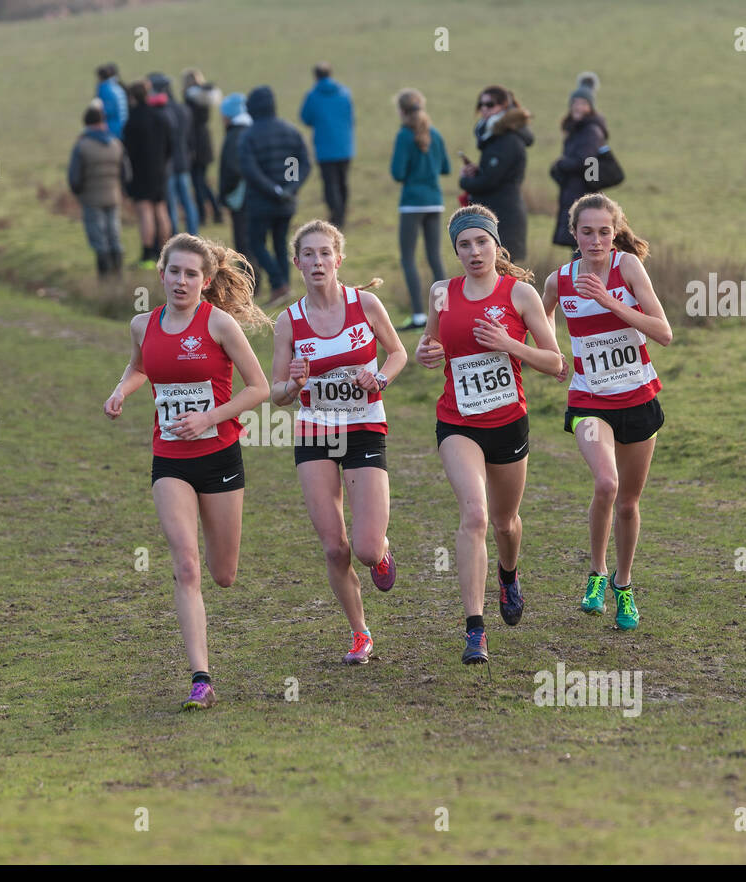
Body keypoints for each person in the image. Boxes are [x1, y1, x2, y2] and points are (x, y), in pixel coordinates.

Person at [102, 234, 271, 709]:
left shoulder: (219, 324)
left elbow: (259, 388)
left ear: (207, 280)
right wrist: (120, 390)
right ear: (161, 274)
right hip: (170, 459)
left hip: (219, 457)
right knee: (186, 565)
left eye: (191, 274)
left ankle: (204, 666)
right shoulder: (142, 324)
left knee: (223, 573)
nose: (181, 281)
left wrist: (209, 417)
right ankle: (201, 678)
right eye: (174, 271)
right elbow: (139, 367)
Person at [414, 205, 564, 665]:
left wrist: (509, 344)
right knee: (475, 516)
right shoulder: (442, 293)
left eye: (482, 242)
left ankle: (508, 573)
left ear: (496, 245)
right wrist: (426, 353)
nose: (474, 251)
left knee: (504, 523)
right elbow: (431, 344)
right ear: (455, 250)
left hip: (508, 422)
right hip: (457, 422)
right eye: (464, 244)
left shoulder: (520, 294)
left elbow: (555, 363)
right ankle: (475, 629)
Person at [271, 220, 407, 665]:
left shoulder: (364, 304)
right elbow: (276, 394)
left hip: (364, 426)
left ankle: (381, 552)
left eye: (325, 253)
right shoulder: (289, 322)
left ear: (338, 260)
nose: (317, 262)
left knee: (365, 549)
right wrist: (293, 385)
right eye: (308, 255)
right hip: (316, 432)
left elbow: (398, 352)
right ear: (297, 263)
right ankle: (360, 633)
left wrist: (379, 378)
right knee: (334, 547)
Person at [540, 193, 672, 630]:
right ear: (573, 234)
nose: (595, 240)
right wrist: (554, 354)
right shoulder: (559, 280)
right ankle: (596, 572)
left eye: (603, 232)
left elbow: (663, 332)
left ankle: (624, 584)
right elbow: (539, 319)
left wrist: (610, 301)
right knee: (606, 483)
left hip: (638, 399)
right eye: (587, 232)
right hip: (589, 400)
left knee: (629, 504)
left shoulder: (627, 268)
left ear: (614, 234)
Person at [237, 85, 308, 306]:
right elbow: (302, 162)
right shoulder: (291, 130)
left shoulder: (248, 136)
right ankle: (284, 285)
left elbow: (250, 170)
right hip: (286, 201)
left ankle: (279, 283)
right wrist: (290, 188)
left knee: (256, 243)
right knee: (280, 243)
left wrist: (272, 189)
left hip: (261, 201)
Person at [389, 88, 449, 332]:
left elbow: (397, 173)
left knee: (408, 258)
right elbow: (446, 167)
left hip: (412, 203)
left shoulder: (404, 136)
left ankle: (418, 315)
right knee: (435, 257)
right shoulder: (435, 134)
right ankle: (445, 314)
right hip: (435, 201)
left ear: (402, 111)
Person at [458, 85, 533, 265]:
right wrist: (478, 172)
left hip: (504, 217)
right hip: (496, 213)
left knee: (504, 273)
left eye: (490, 104)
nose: (484, 109)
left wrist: (465, 181)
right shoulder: (496, 137)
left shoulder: (507, 139)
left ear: (504, 106)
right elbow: (496, 174)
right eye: (481, 104)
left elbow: (489, 181)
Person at [68, 103, 129, 278]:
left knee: (99, 239)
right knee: (114, 235)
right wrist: (121, 190)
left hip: (92, 199)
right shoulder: (116, 144)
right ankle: (118, 274)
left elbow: (74, 178)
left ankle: (105, 277)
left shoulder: (82, 146)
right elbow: (126, 174)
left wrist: (79, 193)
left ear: (87, 123)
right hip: (114, 196)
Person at [550, 72, 608, 252]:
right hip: (575, 192)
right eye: (575, 103)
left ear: (591, 107)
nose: (578, 107)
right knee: (579, 247)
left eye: (583, 103)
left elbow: (586, 160)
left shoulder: (590, 131)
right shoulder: (577, 130)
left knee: (582, 247)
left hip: (582, 195)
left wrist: (560, 165)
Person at [121, 80, 172, 269]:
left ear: (132, 97)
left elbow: (128, 151)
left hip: (141, 173)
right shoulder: (160, 117)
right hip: (160, 170)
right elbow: (170, 145)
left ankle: (147, 256)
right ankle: (166, 254)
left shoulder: (132, 120)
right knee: (161, 209)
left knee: (145, 212)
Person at [298, 62, 353, 228]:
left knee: (330, 184)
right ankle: (342, 213)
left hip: (324, 148)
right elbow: (350, 116)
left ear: (316, 76)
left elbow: (305, 117)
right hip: (344, 145)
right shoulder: (345, 93)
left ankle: (336, 214)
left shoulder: (312, 96)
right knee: (343, 181)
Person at [149, 73, 198, 236]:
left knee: (171, 205)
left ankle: (175, 237)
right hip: (183, 160)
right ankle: (194, 235)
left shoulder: (160, 113)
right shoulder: (183, 109)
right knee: (188, 202)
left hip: (168, 163)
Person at [216, 92, 256, 294]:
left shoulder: (234, 135)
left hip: (240, 198)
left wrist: (225, 193)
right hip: (254, 196)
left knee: (243, 243)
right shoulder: (251, 130)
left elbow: (233, 168)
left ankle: (250, 284)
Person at [181, 68, 223, 226]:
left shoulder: (191, 98)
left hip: (195, 144)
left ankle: (203, 214)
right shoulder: (205, 97)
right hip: (205, 141)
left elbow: (189, 125)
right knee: (202, 181)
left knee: (198, 182)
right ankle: (216, 211)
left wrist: (190, 148)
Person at [95, 63, 127, 138]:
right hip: (123, 126)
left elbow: (105, 111)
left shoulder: (105, 88)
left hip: (112, 129)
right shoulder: (117, 86)